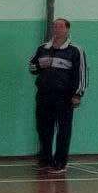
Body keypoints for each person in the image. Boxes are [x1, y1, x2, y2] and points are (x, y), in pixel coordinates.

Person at [28, 18, 87, 174]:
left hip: (64, 96)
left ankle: (60, 162)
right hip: (44, 95)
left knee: (63, 130)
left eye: (60, 26)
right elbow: (32, 67)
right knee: (43, 128)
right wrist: (40, 65)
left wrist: (78, 94)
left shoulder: (75, 50)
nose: (57, 29)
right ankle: (45, 160)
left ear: (67, 29)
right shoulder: (43, 48)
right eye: (55, 26)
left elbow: (81, 73)